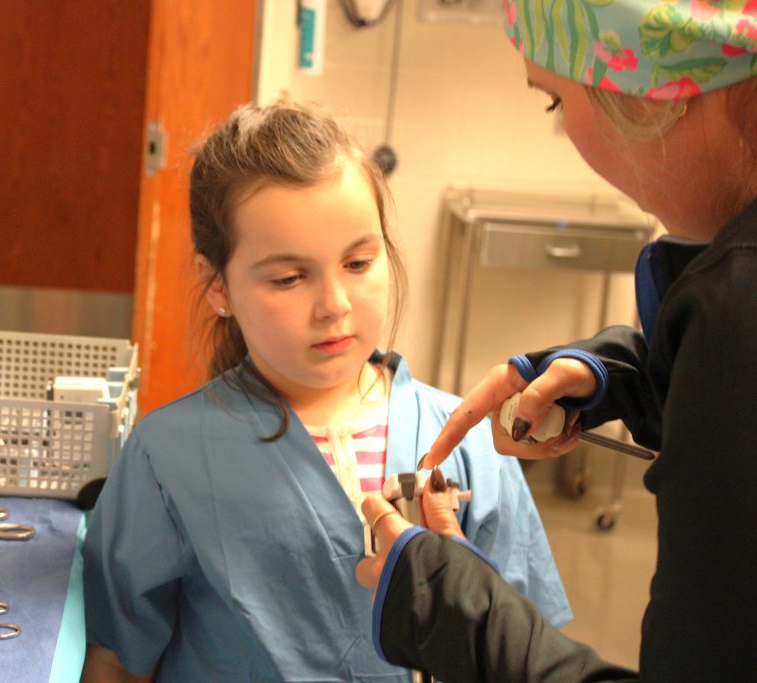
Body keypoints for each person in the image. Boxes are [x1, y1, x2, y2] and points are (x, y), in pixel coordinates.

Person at [80, 103, 571, 682]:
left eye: (359, 262)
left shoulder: (467, 442)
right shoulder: (170, 458)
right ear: (218, 286)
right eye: (289, 278)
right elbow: (118, 660)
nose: (334, 304)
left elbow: (528, 651)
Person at [358, 1, 757, 680]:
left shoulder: (737, 310)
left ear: (656, 92)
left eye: (554, 101)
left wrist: (450, 607)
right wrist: (626, 377)